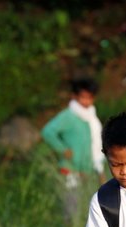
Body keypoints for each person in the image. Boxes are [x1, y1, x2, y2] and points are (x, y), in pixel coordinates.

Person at [41, 77, 106, 218]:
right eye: (83, 97)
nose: (86, 101)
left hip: (87, 169)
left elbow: (96, 145)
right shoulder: (68, 116)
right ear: (74, 96)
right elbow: (48, 131)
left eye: (90, 97)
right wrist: (63, 149)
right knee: (72, 206)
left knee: (88, 207)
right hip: (70, 169)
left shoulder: (91, 118)